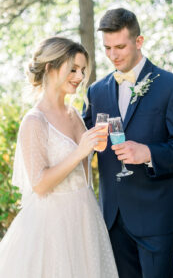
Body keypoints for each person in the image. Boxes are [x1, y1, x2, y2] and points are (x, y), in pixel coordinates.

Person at [83, 8, 173, 278]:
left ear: (139, 41)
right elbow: (82, 137)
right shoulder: (96, 91)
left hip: (155, 217)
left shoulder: (172, 86)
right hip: (111, 217)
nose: (113, 55)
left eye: (120, 46)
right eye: (107, 48)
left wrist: (149, 153)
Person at [0, 36, 119, 278]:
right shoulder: (34, 121)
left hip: (86, 218)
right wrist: (80, 151)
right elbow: (40, 184)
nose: (79, 76)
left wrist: (96, 148)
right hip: (54, 226)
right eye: (73, 69)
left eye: (83, 70)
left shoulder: (74, 114)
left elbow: (81, 171)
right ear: (50, 67)